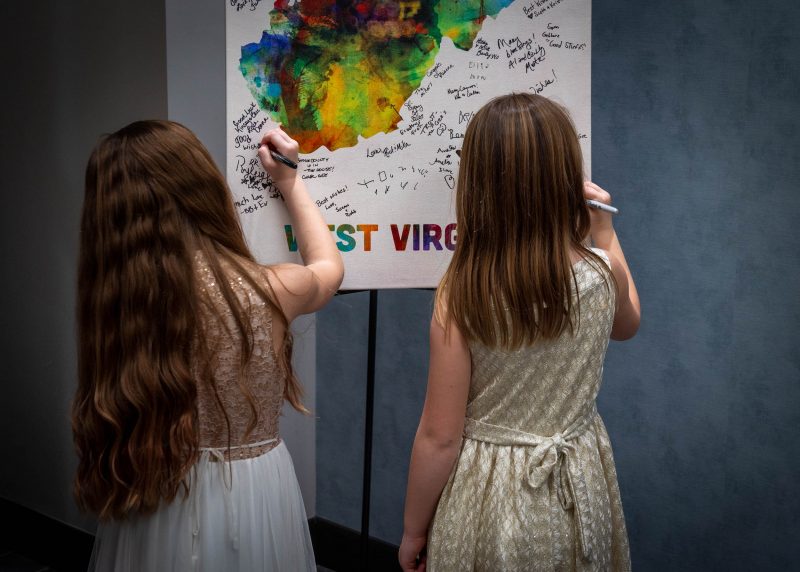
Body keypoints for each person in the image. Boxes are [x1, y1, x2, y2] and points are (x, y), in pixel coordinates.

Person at [72, 121, 343, 571]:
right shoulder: (269, 289)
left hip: (155, 489)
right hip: (253, 493)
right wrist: (290, 180)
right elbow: (328, 267)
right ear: (203, 188)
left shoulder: (118, 305)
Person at [399, 93, 641, 572]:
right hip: (579, 479)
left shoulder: (463, 295)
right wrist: (604, 232)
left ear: (479, 182)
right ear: (567, 175)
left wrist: (413, 530)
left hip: (491, 494)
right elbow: (627, 325)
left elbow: (440, 437)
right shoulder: (601, 271)